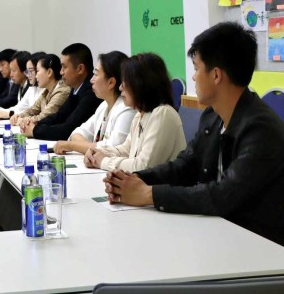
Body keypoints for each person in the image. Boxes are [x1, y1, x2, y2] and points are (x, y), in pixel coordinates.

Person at [105, 23, 284, 245]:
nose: (193, 78)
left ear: (216, 75)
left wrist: (148, 194)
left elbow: (223, 195)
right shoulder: (213, 116)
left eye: (197, 69)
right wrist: (135, 179)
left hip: (258, 244)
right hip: (219, 232)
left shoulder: (260, 129)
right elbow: (186, 165)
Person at [84, 53, 185, 172]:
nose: (120, 87)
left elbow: (143, 167)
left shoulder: (163, 114)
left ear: (142, 84)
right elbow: (126, 150)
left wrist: (103, 161)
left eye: (125, 81)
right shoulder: (140, 115)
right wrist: (97, 152)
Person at [53, 51, 135, 155]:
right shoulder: (104, 105)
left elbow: (112, 149)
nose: (91, 80)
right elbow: (76, 133)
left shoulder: (127, 109)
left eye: (95, 74)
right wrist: (91, 148)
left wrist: (72, 146)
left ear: (111, 82)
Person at [26, 43, 102, 140]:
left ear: (80, 69)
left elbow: (68, 129)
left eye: (64, 67)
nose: (61, 72)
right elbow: (59, 116)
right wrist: (35, 123)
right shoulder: (76, 88)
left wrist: (34, 130)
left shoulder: (91, 93)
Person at [11, 54, 70, 128]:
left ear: (49, 72)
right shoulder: (46, 91)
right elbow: (32, 110)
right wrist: (19, 116)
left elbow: (44, 117)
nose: (36, 76)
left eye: (38, 71)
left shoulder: (62, 92)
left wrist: (23, 120)